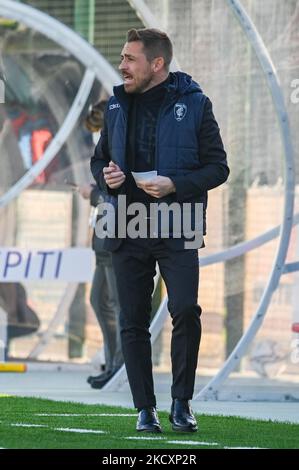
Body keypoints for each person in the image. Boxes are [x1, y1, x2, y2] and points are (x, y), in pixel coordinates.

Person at [90, 28, 229, 433]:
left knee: (185, 309)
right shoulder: (115, 104)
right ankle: (144, 409)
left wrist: (174, 184)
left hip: (177, 225)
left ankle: (181, 403)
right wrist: (107, 178)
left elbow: (218, 167)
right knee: (132, 319)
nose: (122, 66)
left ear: (157, 64)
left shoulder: (196, 104)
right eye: (121, 58)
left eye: (130, 59)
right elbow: (99, 162)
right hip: (125, 225)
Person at [79, 100, 123, 389]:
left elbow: (114, 194)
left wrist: (94, 194)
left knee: (120, 305)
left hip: (117, 237)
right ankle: (113, 362)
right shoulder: (106, 151)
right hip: (103, 240)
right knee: (99, 299)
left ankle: (120, 367)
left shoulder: (119, 147)